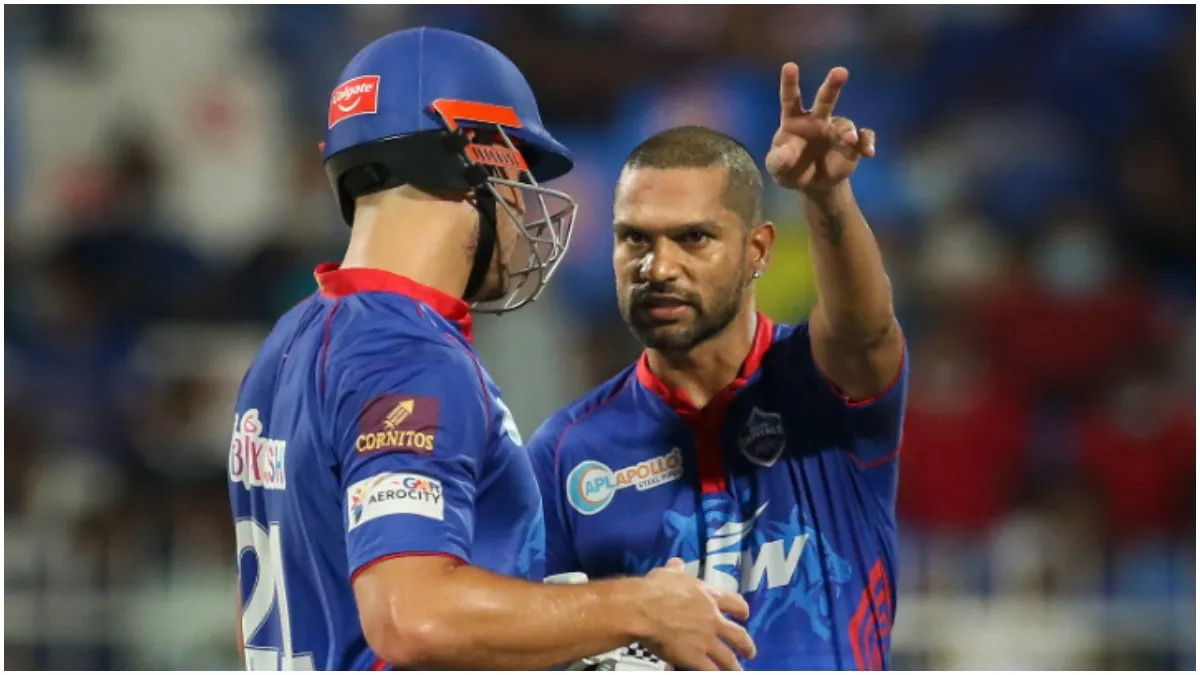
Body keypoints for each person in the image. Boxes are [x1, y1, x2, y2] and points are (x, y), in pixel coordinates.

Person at [228, 27, 755, 671]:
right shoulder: (410, 355)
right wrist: (638, 607)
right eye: (522, 173)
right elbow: (411, 617)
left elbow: (303, 612)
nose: (526, 205)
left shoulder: (289, 343)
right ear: (472, 161)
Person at [527, 64, 908, 670]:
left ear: (757, 249)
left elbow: (866, 333)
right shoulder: (565, 452)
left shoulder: (822, 389)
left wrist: (825, 195)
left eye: (694, 238)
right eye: (635, 240)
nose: (659, 266)